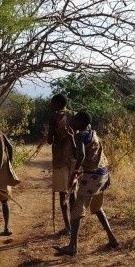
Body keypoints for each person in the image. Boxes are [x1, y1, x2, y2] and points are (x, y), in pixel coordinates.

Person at [53, 111, 118, 256]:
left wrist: (76, 171)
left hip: (93, 176)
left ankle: (72, 246)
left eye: (75, 119)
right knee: (97, 208)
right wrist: (71, 138)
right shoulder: (91, 132)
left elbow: (80, 155)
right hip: (103, 173)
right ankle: (112, 238)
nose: (72, 120)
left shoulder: (81, 135)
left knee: (77, 210)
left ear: (80, 122)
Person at [47, 93, 75, 235]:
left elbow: (50, 140)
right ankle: (75, 226)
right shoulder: (74, 115)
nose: (50, 105)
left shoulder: (54, 117)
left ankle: (68, 227)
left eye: (52, 102)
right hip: (75, 160)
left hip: (60, 160)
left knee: (63, 195)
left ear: (57, 104)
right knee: (73, 193)